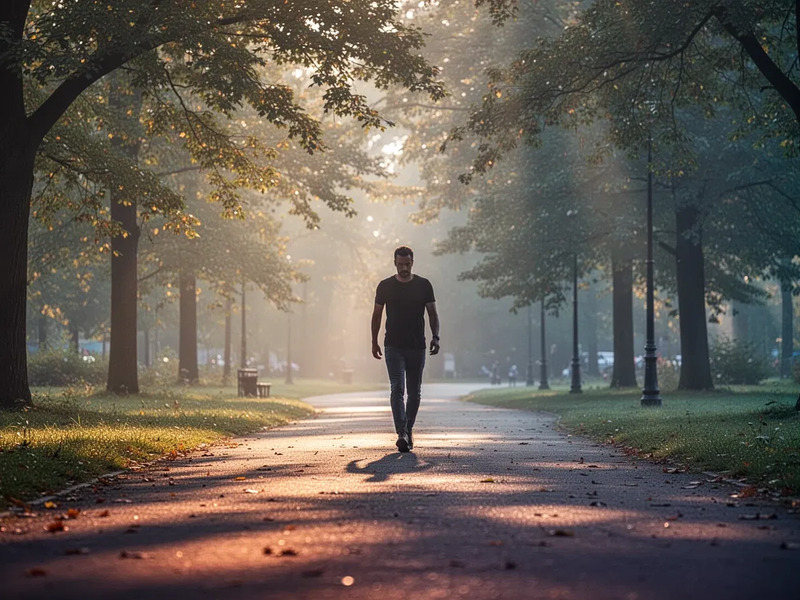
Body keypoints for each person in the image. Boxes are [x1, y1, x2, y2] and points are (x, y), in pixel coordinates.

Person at [371, 246, 440, 453]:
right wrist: (373, 341)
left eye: (407, 264)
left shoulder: (424, 285)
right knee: (397, 388)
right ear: (394, 263)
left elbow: (433, 314)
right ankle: (401, 432)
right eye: (400, 264)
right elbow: (376, 316)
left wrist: (436, 336)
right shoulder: (385, 286)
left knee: (415, 392)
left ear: (412, 262)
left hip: (417, 345)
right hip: (393, 345)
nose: (404, 268)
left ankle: (408, 429)